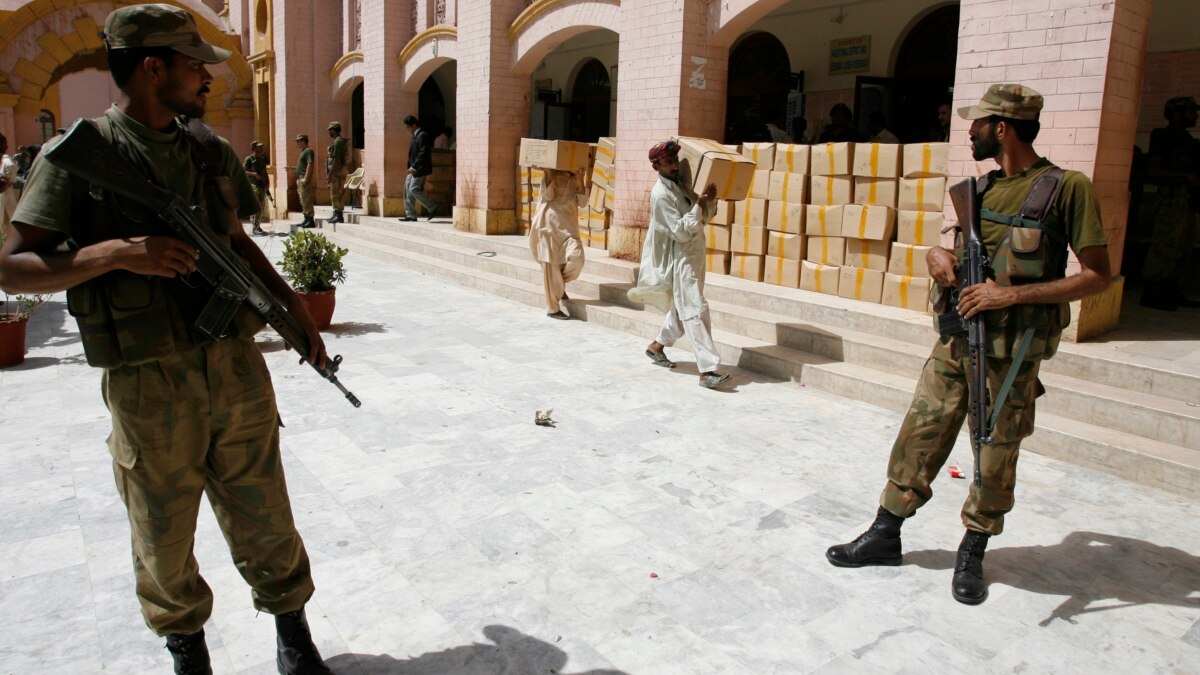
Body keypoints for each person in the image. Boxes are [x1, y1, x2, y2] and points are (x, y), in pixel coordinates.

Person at [0, 5, 333, 673]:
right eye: (193, 65)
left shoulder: (207, 150)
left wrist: (295, 312)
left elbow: (238, 241)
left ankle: (293, 638)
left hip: (233, 365)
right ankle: (189, 653)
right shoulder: (79, 158)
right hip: (147, 380)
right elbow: (10, 265)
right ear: (154, 68)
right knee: (162, 530)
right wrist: (116, 254)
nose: (207, 77)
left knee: (264, 505)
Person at [825, 83, 1111, 605]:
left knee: (994, 453)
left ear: (1001, 127)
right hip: (958, 342)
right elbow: (956, 252)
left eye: (976, 124)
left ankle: (973, 551)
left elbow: (1097, 275)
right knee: (920, 433)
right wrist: (937, 255)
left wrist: (1010, 295)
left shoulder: (1066, 188)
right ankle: (886, 532)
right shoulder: (977, 191)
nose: (969, 131)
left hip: (1012, 352)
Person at [639, 140, 731, 389]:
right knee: (695, 309)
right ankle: (707, 370)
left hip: (696, 254)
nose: (674, 166)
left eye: (675, 161)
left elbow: (704, 219)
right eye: (668, 162)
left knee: (683, 309)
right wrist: (699, 205)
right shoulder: (660, 195)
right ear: (656, 165)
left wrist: (709, 201)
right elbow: (680, 232)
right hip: (680, 259)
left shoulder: (682, 186)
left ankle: (656, 346)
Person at [1139, 96, 1200, 311]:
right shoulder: (1163, 136)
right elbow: (1153, 169)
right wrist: (1185, 176)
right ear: (1176, 114)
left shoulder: (1188, 140)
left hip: (1187, 200)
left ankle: (1169, 289)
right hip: (1170, 198)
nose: (1195, 116)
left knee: (1183, 245)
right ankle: (1153, 292)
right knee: (1165, 244)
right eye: (1191, 112)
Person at [529, 169, 587, 319]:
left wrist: (580, 178)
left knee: (577, 257)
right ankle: (553, 309)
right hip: (548, 226)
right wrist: (548, 173)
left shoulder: (575, 177)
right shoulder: (550, 174)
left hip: (569, 229)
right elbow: (547, 195)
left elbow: (583, 202)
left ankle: (558, 286)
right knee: (552, 266)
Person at [401, 114, 438, 222]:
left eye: (408, 127)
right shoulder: (415, 136)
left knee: (413, 189)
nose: (407, 129)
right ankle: (410, 215)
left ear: (414, 125)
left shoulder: (422, 135)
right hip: (412, 168)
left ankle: (432, 207)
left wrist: (414, 166)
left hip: (420, 168)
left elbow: (423, 153)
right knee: (407, 190)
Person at [243, 140, 270, 235]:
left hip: (261, 185)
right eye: (259, 147)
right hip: (254, 186)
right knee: (257, 207)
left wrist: (267, 183)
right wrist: (253, 174)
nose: (261, 148)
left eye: (261, 147)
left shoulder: (262, 159)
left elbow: (265, 172)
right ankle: (255, 228)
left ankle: (258, 226)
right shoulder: (249, 159)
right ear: (253, 148)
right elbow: (244, 171)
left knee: (261, 207)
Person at [325, 120, 347, 224]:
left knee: (336, 193)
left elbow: (336, 159)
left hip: (337, 171)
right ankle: (336, 213)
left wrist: (330, 174)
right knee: (335, 193)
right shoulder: (338, 141)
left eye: (330, 130)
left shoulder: (338, 141)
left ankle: (338, 215)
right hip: (337, 170)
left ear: (334, 130)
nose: (329, 133)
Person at [294, 134, 317, 228]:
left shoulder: (308, 151)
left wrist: (306, 178)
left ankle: (310, 220)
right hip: (300, 179)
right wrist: (292, 168)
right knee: (303, 199)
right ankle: (306, 219)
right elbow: (302, 166)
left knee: (306, 199)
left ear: (304, 141)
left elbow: (310, 164)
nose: (297, 143)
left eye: (299, 141)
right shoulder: (303, 151)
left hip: (304, 179)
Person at [0, 134, 15, 237]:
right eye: (5, 143)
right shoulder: (8, 163)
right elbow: (12, 179)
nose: (7, 146)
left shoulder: (6, 162)